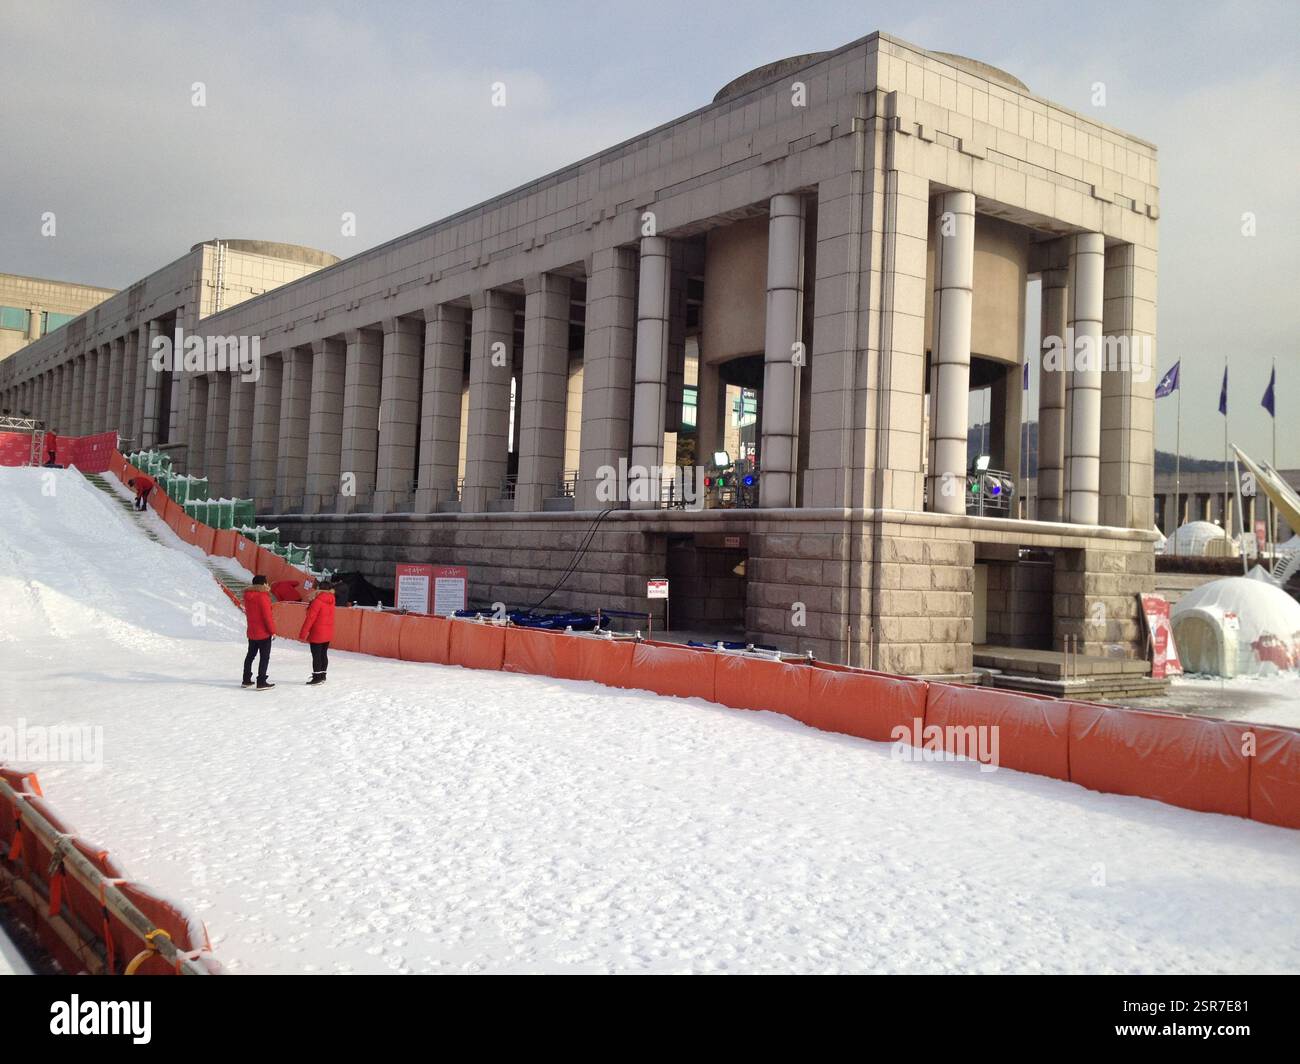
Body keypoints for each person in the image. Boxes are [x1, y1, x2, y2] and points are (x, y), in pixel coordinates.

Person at [242, 575, 276, 690]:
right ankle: (261, 681)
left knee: (250, 656)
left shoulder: (247, 596)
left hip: (252, 631)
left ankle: (246, 679)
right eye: (266, 583)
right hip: (263, 632)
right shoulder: (263, 597)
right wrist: (273, 631)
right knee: (264, 657)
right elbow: (267, 617)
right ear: (263, 584)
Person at [299, 580, 336, 686]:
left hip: (317, 632)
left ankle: (317, 677)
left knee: (316, 656)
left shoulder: (317, 601)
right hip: (327, 632)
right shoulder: (332, 600)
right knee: (323, 654)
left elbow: (310, 618)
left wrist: (303, 633)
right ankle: (323, 675)